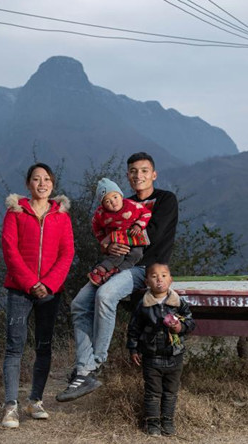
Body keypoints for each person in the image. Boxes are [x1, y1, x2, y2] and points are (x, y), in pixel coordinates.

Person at [56, 152, 178, 402]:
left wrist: (115, 238)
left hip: (146, 269)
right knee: (79, 304)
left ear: (154, 174)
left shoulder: (166, 200)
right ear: (127, 176)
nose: (138, 175)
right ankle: (84, 368)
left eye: (144, 171)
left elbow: (150, 236)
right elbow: (104, 235)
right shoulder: (121, 201)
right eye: (133, 171)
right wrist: (107, 245)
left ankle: (96, 363)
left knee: (105, 296)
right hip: (116, 265)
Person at [0, 163, 75, 428]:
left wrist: (49, 284)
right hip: (20, 290)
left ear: (53, 184)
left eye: (46, 179)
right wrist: (31, 283)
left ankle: (35, 401)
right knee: (14, 347)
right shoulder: (15, 212)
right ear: (28, 184)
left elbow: (67, 253)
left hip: (50, 292)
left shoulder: (61, 216)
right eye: (36, 179)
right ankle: (11, 406)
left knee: (44, 346)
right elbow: (9, 250)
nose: (42, 184)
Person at [127, 263, 195, 436]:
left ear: (170, 280)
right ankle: (152, 423)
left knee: (171, 392)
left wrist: (180, 327)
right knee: (153, 392)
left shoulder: (178, 303)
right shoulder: (144, 305)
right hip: (151, 356)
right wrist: (133, 349)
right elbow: (134, 328)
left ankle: (168, 422)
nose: (159, 280)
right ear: (147, 282)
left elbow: (190, 321)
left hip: (174, 355)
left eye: (164, 276)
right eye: (154, 276)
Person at [88, 177, 152, 286]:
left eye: (115, 197)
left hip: (133, 237)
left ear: (121, 195)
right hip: (117, 239)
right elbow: (96, 226)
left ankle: (117, 272)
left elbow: (146, 213)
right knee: (117, 255)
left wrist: (138, 225)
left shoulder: (132, 205)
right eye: (107, 201)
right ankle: (100, 271)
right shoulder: (101, 214)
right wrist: (104, 241)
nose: (113, 202)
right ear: (102, 204)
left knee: (137, 254)